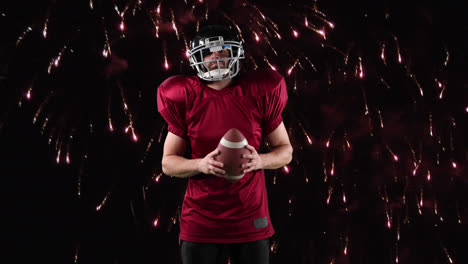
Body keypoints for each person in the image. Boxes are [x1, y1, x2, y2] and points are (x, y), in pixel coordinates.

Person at [157, 24, 293, 264]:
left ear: (236, 54)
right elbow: (168, 164)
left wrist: (260, 160)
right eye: (209, 53)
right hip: (201, 220)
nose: (216, 58)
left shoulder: (259, 92)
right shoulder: (185, 96)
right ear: (198, 58)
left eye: (223, 52)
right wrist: (201, 165)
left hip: (249, 216)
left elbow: (285, 151)